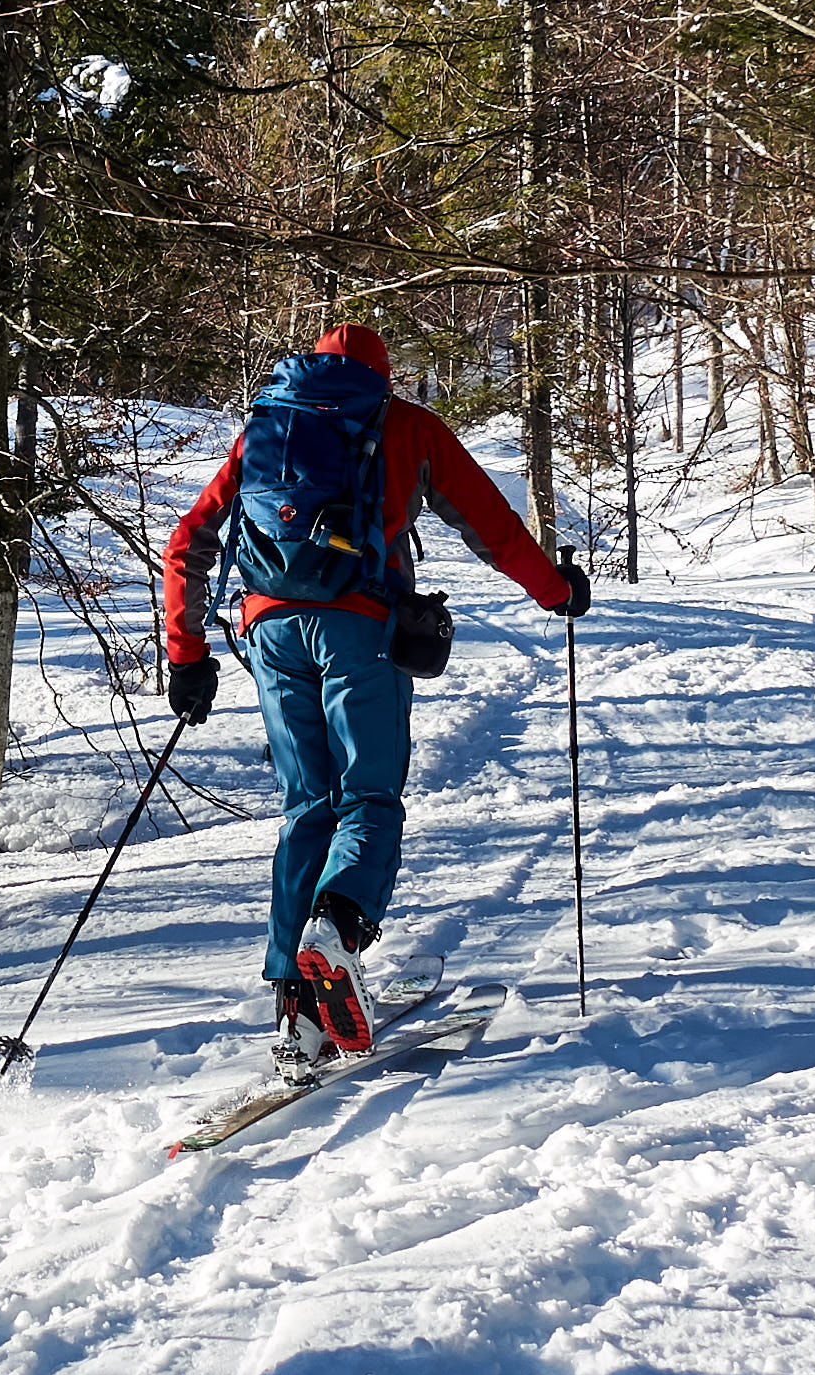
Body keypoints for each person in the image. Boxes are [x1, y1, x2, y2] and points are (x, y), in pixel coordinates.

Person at [158, 324, 585, 1056]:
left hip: (268, 628)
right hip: (361, 626)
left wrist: (186, 655)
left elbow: (188, 538)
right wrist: (555, 591)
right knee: (368, 796)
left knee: (306, 805)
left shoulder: (267, 422)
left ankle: (293, 1000)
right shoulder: (404, 424)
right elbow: (489, 523)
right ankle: (339, 925)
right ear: (380, 375)